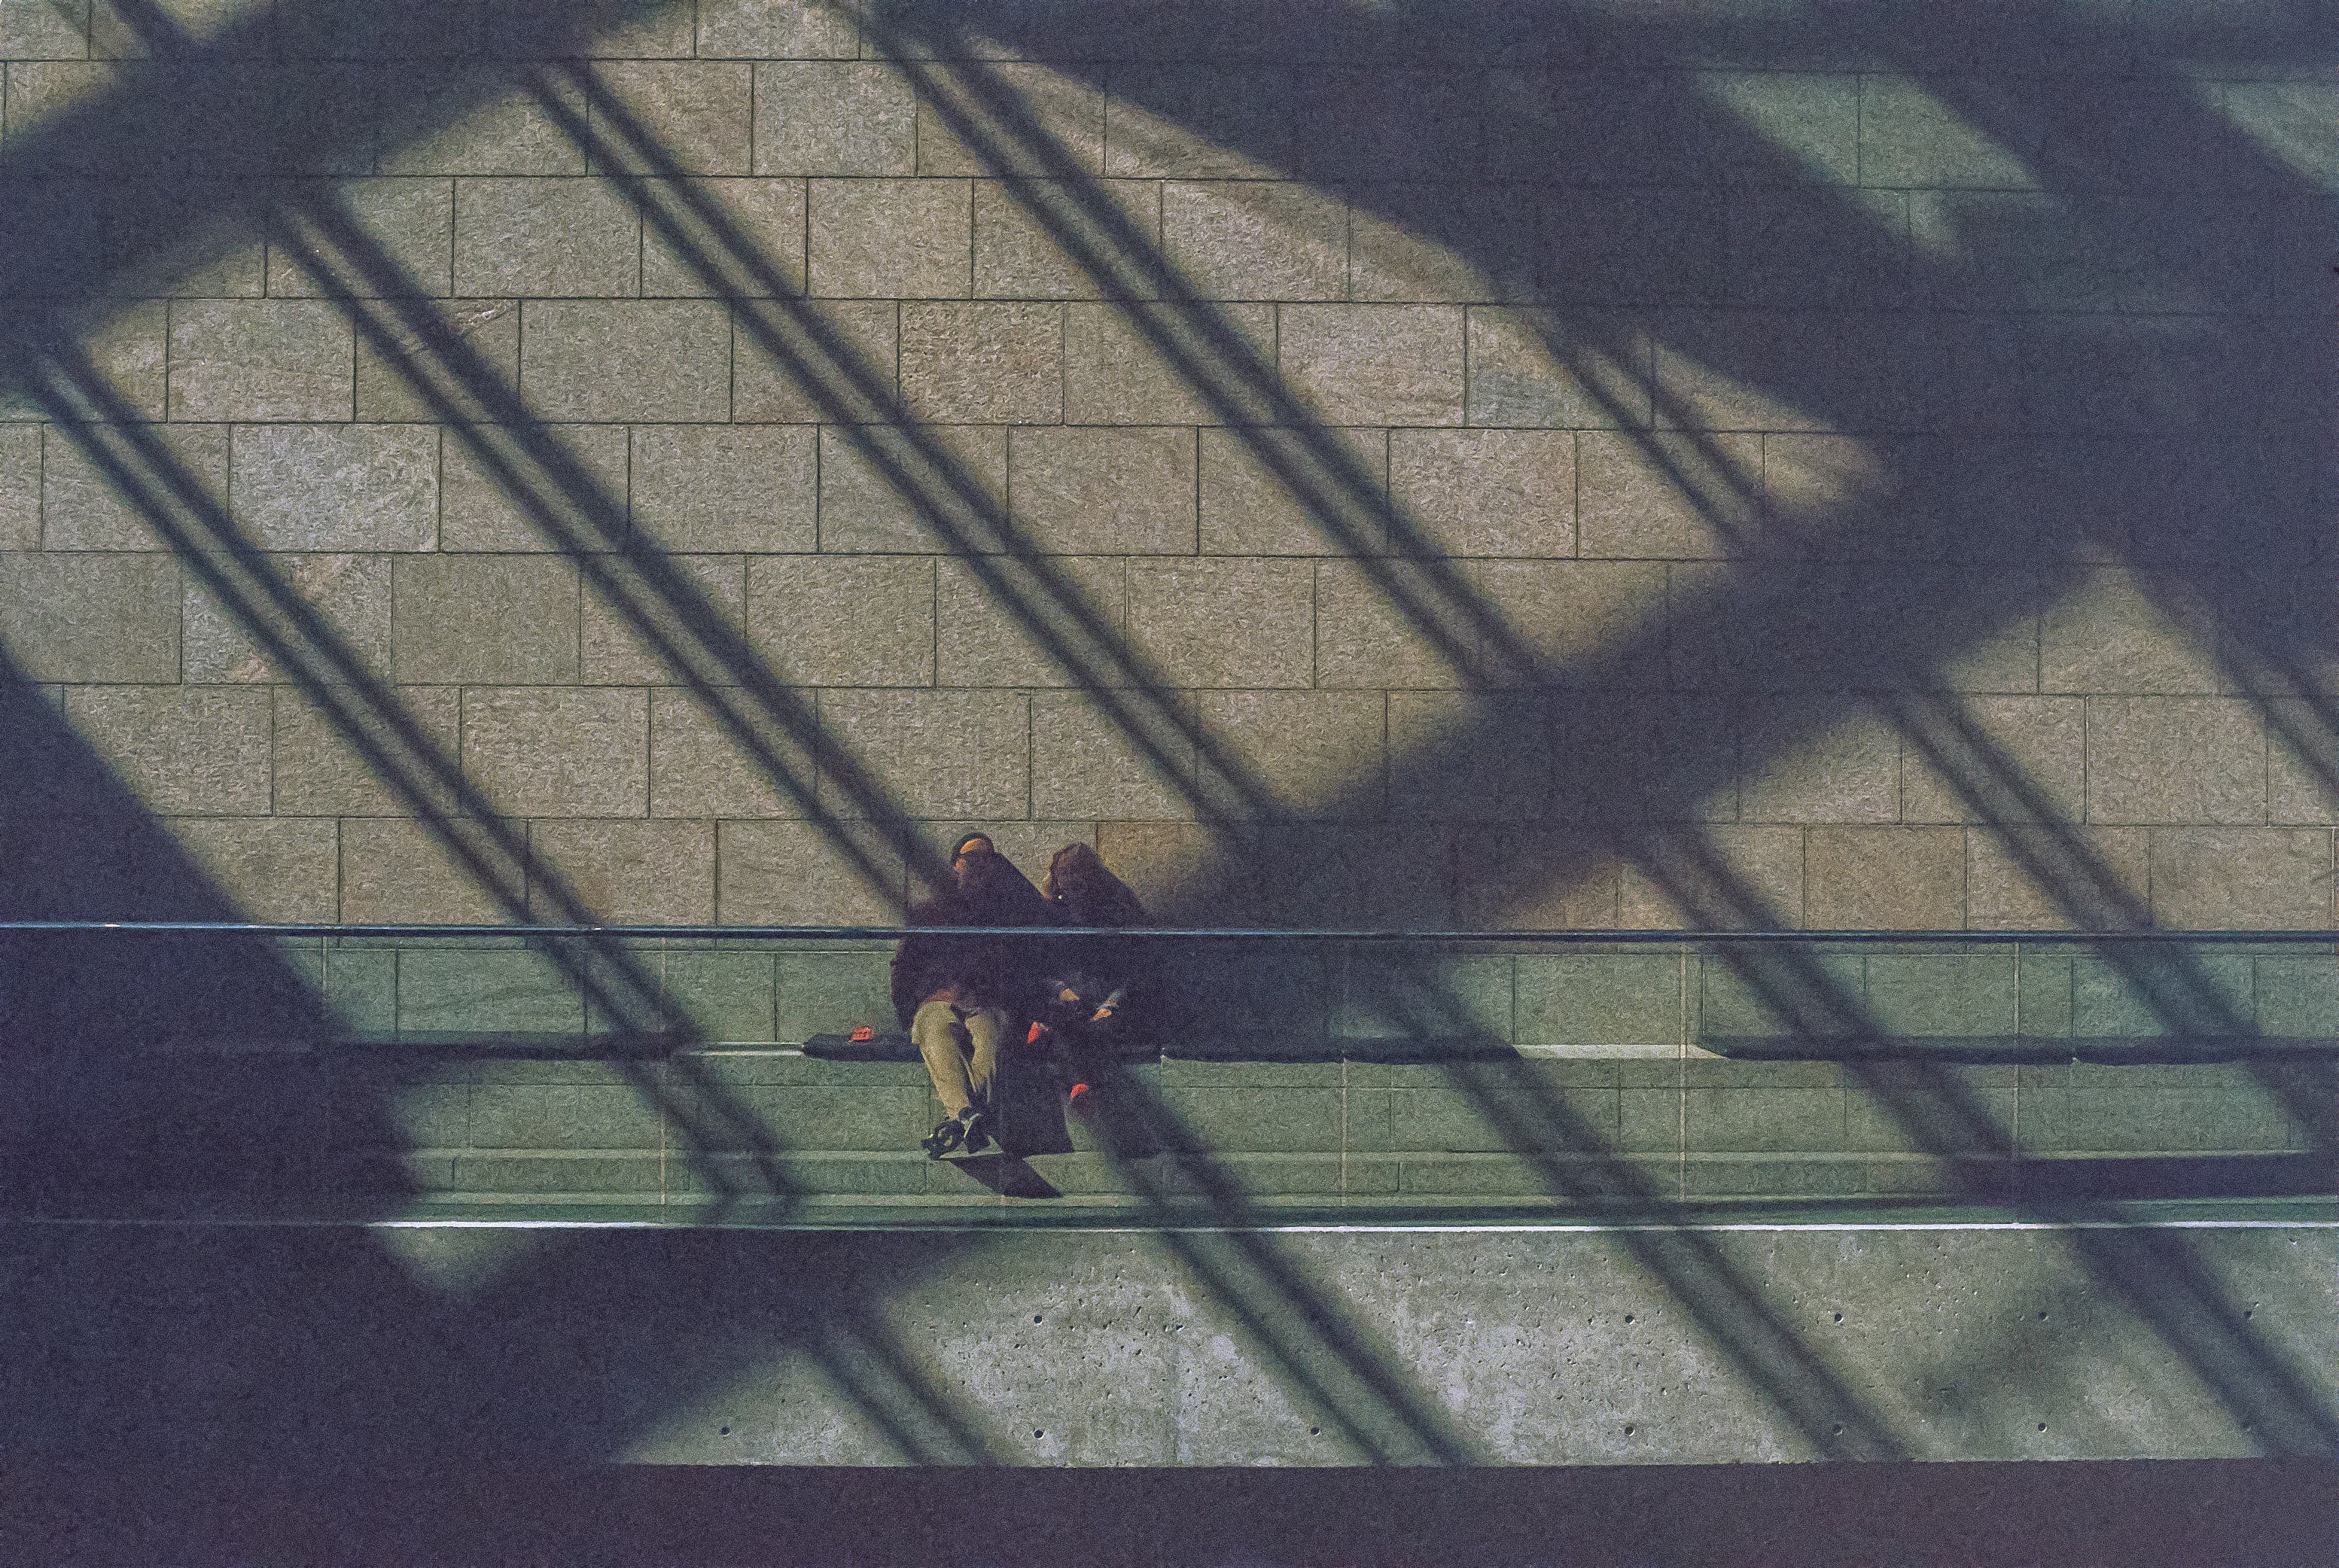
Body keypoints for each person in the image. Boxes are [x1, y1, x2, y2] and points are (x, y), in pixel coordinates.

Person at [892, 833, 1053, 1158]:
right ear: (956, 864)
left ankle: (960, 1118)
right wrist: (910, 1011)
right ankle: (965, 1116)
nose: (979, 864)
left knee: (990, 1046)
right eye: (971, 857)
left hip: (986, 1003)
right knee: (935, 1031)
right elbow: (904, 967)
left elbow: (1024, 964)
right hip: (938, 1001)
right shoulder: (931, 912)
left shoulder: (1007, 913)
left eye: (987, 858)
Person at [1031, 842, 1152, 1106]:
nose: (1070, 881)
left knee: (1090, 1028)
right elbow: (1038, 965)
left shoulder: (1116, 911)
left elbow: (1137, 967)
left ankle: (1079, 1083)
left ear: (1092, 875)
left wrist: (1111, 1003)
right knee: (1066, 1021)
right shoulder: (1052, 915)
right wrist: (1061, 989)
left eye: (1077, 872)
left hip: (1109, 999)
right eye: (1064, 874)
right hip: (1071, 997)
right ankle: (1080, 1085)